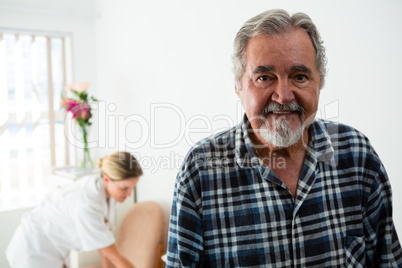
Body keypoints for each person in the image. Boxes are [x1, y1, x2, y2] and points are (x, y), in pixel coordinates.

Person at [166, 9, 402, 267]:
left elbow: (388, 260)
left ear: (318, 82)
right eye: (264, 77)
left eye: (299, 76)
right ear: (238, 85)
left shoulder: (357, 155)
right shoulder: (201, 170)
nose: (283, 95)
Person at [6, 152, 142, 268]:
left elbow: (103, 239)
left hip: (53, 250)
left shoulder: (106, 192)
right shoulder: (86, 203)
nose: (129, 194)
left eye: (132, 188)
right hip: (33, 249)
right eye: (124, 188)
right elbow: (115, 256)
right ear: (107, 179)